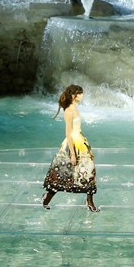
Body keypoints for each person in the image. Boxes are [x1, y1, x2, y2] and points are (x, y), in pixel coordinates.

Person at [42, 84, 100, 212]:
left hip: (81, 142)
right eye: (80, 93)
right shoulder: (69, 111)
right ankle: (47, 198)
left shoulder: (76, 107)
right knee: (63, 173)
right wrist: (72, 154)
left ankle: (89, 200)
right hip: (72, 144)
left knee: (89, 171)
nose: (82, 96)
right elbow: (68, 133)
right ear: (74, 95)